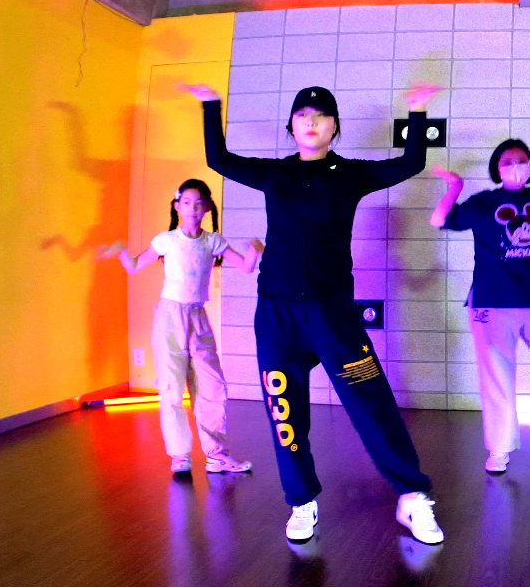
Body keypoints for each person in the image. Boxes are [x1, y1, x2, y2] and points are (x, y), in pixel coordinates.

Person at [188, 81, 444, 545]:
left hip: (334, 315)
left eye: (321, 115)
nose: (311, 121)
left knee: (372, 403)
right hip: (278, 317)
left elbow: (411, 163)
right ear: (291, 126)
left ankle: (411, 495)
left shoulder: (350, 175)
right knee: (285, 416)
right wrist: (210, 104)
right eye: (302, 115)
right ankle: (302, 501)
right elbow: (218, 159)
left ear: (334, 127)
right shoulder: (275, 174)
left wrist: (418, 110)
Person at [430, 139, 530, 474]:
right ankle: (499, 449)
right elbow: (440, 220)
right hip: (490, 302)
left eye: (521, 159)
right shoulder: (484, 202)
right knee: (497, 377)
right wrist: (455, 187)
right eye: (507, 161)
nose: (515, 166)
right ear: (496, 168)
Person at [106, 179, 258, 474]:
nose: (192, 209)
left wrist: (255, 248)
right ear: (177, 206)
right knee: (172, 389)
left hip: (198, 318)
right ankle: (180, 456)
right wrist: (121, 250)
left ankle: (217, 456)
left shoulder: (213, 241)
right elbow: (134, 266)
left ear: (207, 207)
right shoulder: (166, 240)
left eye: (198, 203)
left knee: (212, 386)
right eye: (186, 202)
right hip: (169, 319)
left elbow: (246, 267)